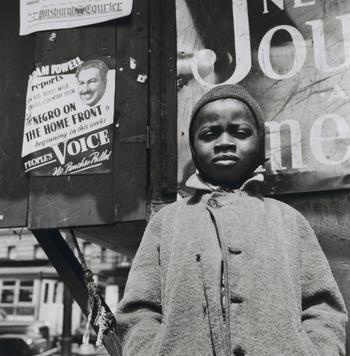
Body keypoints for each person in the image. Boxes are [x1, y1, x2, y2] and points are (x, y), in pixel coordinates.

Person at [116, 85, 348, 356]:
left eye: (239, 132)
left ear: (259, 142)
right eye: (209, 133)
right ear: (193, 145)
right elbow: (138, 310)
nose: (224, 142)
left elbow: (323, 308)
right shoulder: (166, 222)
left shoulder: (288, 220)